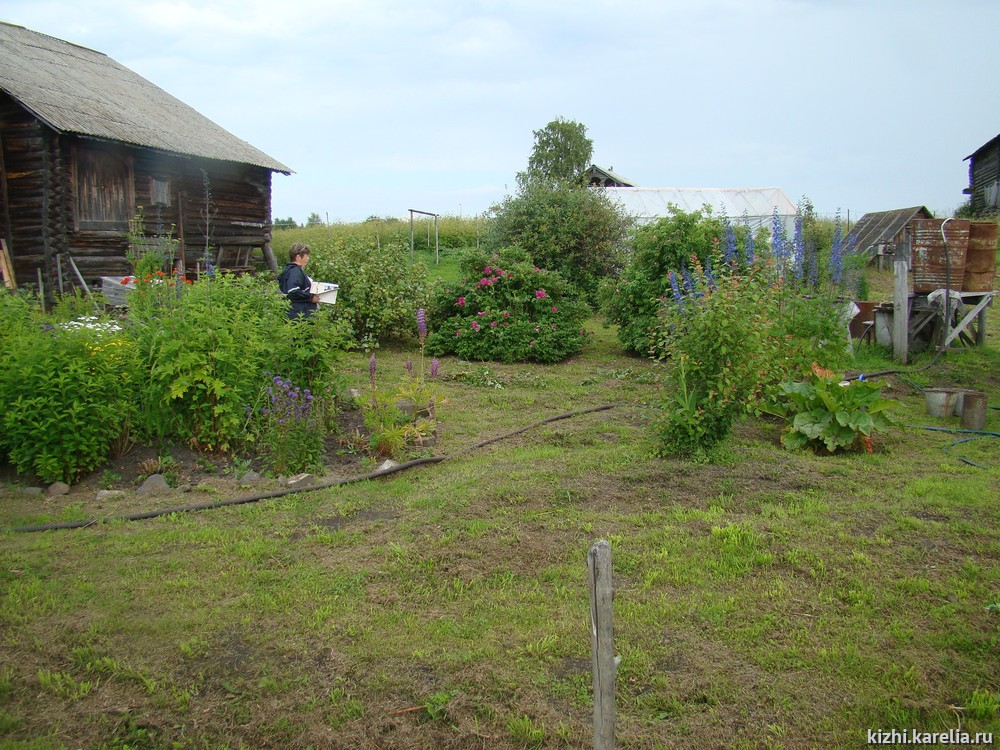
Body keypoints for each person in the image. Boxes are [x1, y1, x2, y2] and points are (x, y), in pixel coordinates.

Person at [277, 243, 319, 318]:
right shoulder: (295, 271)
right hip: (299, 314)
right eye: (306, 256)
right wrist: (311, 297)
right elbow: (293, 291)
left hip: (295, 312)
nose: (308, 259)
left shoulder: (290, 270)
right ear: (298, 257)